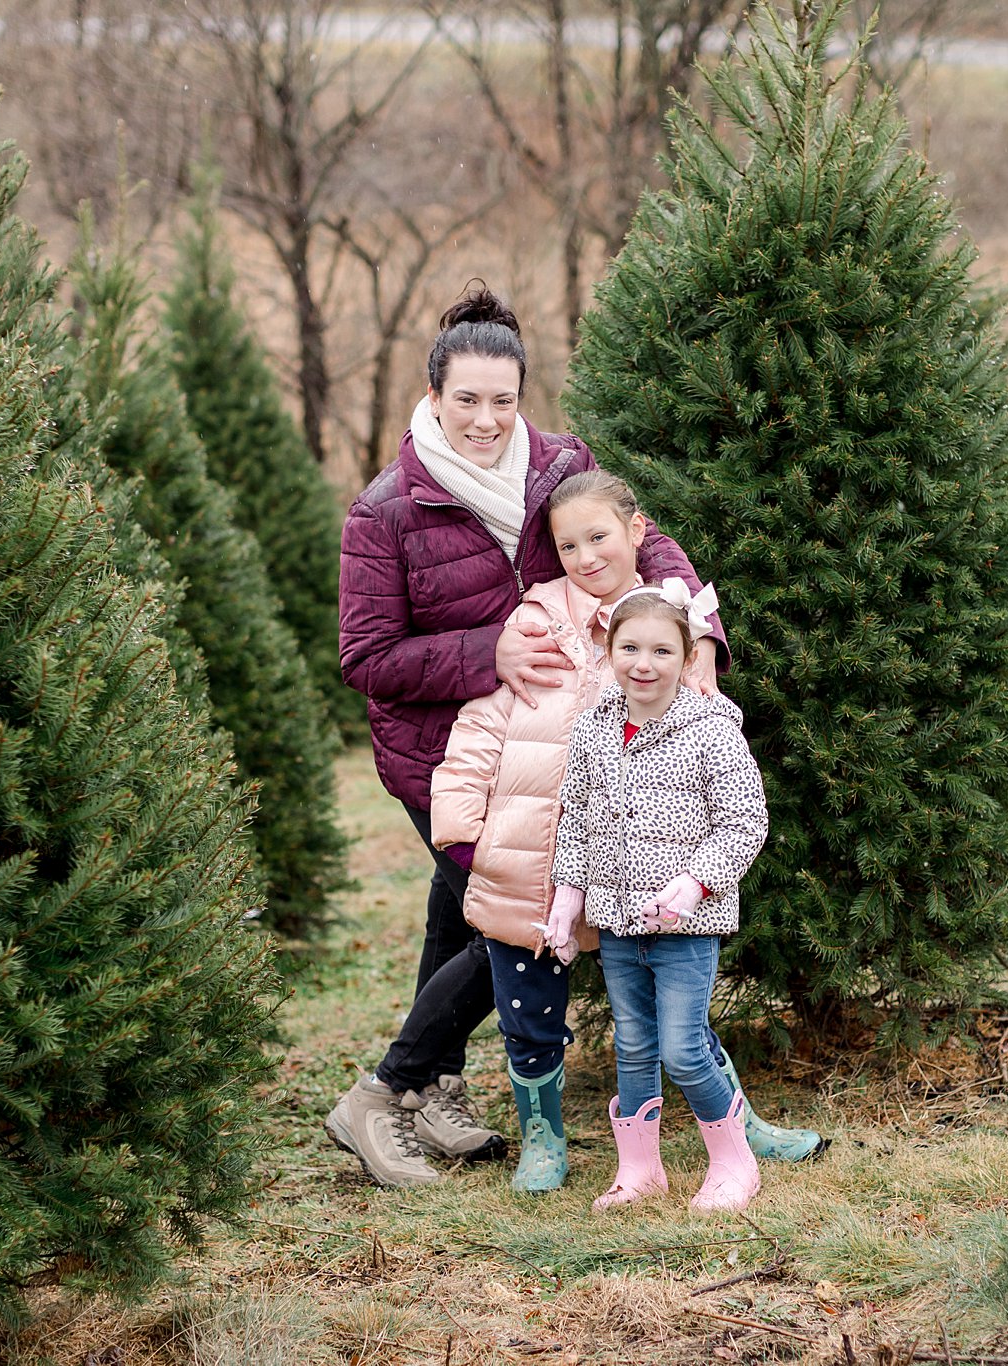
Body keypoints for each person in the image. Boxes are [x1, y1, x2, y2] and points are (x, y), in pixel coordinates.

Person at [328, 287, 725, 1189]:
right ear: (433, 395)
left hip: (552, 750)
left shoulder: (559, 467)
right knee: (513, 922)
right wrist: (488, 651)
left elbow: (641, 547)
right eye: (466, 399)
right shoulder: (384, 511)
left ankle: (432, 1085)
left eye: (502, 400)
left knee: (461, 909)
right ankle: (382, 1093)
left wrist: (697, 638)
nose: (485, 420)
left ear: (522, 396)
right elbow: (367, 656)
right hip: (442, 753)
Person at [428, 472, 826, 1195]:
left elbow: (737, 807)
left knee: (678, 1029)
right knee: (543, 1013)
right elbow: (484, 730)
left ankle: (737, 1139)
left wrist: (704, 645)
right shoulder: (538, 624)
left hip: (667, 891)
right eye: (567, 544)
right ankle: (556, 1143)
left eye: (598, 537)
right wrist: (466, 841)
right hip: (539, 862)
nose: (584, 555)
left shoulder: (679, 655)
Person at [545, 584, 771, 1213]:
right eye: (630, 648)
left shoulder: (709, 729)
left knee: (683, 1046)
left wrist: (695, 882)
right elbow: (580, 819)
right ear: (609, 652)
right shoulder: (594, 727)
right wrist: (569, 895)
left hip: (686, 928)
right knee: (634, 1045)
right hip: (618, 923)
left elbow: (746, 820)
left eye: (662, 651)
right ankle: (640, 1170)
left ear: (686, 655)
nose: (644, 664)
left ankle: (734, 1164)